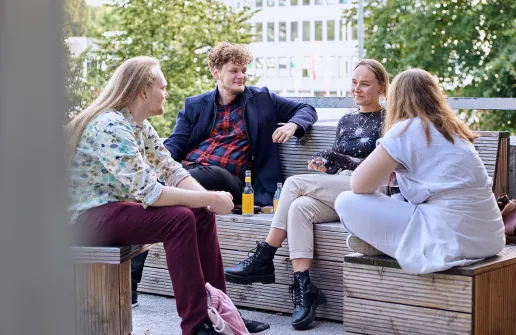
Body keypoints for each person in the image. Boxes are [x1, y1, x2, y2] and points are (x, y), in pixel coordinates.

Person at [67, 56, 270, 335]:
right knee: (179, 219)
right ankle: (198, 324)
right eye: (163, 87)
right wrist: (212, 198)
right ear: (143, 91)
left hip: (113, 210)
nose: (167, 92)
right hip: (83, 219)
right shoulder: (111, 127)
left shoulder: (138, 124)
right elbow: (150, 192)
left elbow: (171, 169)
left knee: (197, 213)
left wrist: (206, 200)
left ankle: (221, 311)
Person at [224, 59, 389, 330]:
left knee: (294, 184)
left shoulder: (389, 120)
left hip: (372, 189)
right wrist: (325, 160)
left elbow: (380, 167)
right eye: (354, 83)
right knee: (299, 206)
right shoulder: (347, 120)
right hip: (343, 190)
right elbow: (337, 164)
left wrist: (337, 157)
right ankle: (304, 289)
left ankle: (265, 255)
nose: (357, 89)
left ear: (381, 87)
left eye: (365, 84)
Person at [334, 68, 506, 275]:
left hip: (451, 237)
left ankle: (390, 245)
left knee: (345, 200)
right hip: (491, 237)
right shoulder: (453, 131)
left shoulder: (406, 129)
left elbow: (359, 185)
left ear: (396, 99)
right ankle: (388, 243)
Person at [163, 41, 318, 207]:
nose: (241, 75)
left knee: (213, 174)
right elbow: (174, 144)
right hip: (190, 168)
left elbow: (307, 109)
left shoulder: (262, 99)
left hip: (231, 181)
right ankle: (163, 188)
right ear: (216, 74)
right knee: (171, 173)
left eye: (244, 70)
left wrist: (292, 125)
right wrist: (156, 164)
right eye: (234, 71)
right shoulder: (195, 105)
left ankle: (166, 187)